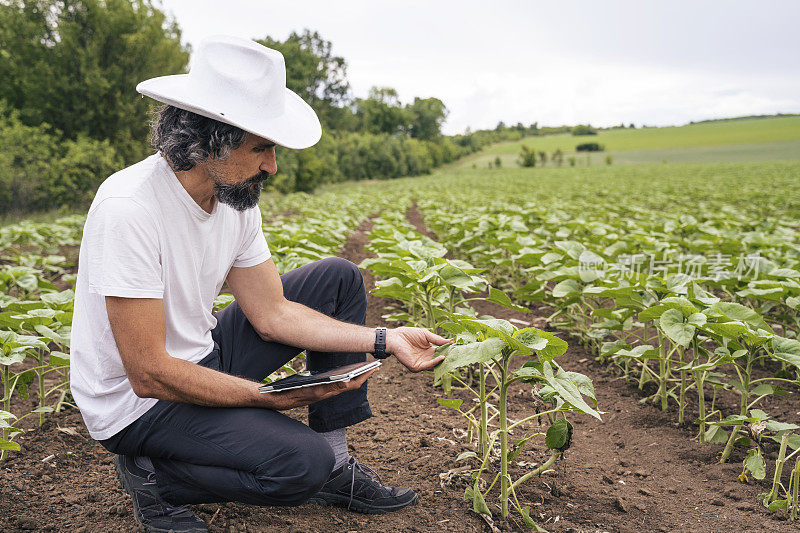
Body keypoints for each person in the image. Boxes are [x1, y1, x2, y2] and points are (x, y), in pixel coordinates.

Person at [70, 35, 449, 533]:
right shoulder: (130, 208)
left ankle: (338, 465)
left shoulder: (234, 197)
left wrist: (385, 339)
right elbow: (148, 373)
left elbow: (273, 314)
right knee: (298, 467)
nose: (272, 164)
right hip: (140, 403)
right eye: (262, 147)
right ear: (210, 142)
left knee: (337, 277)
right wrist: (264, 397)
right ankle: (156, 479)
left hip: (199, 356)